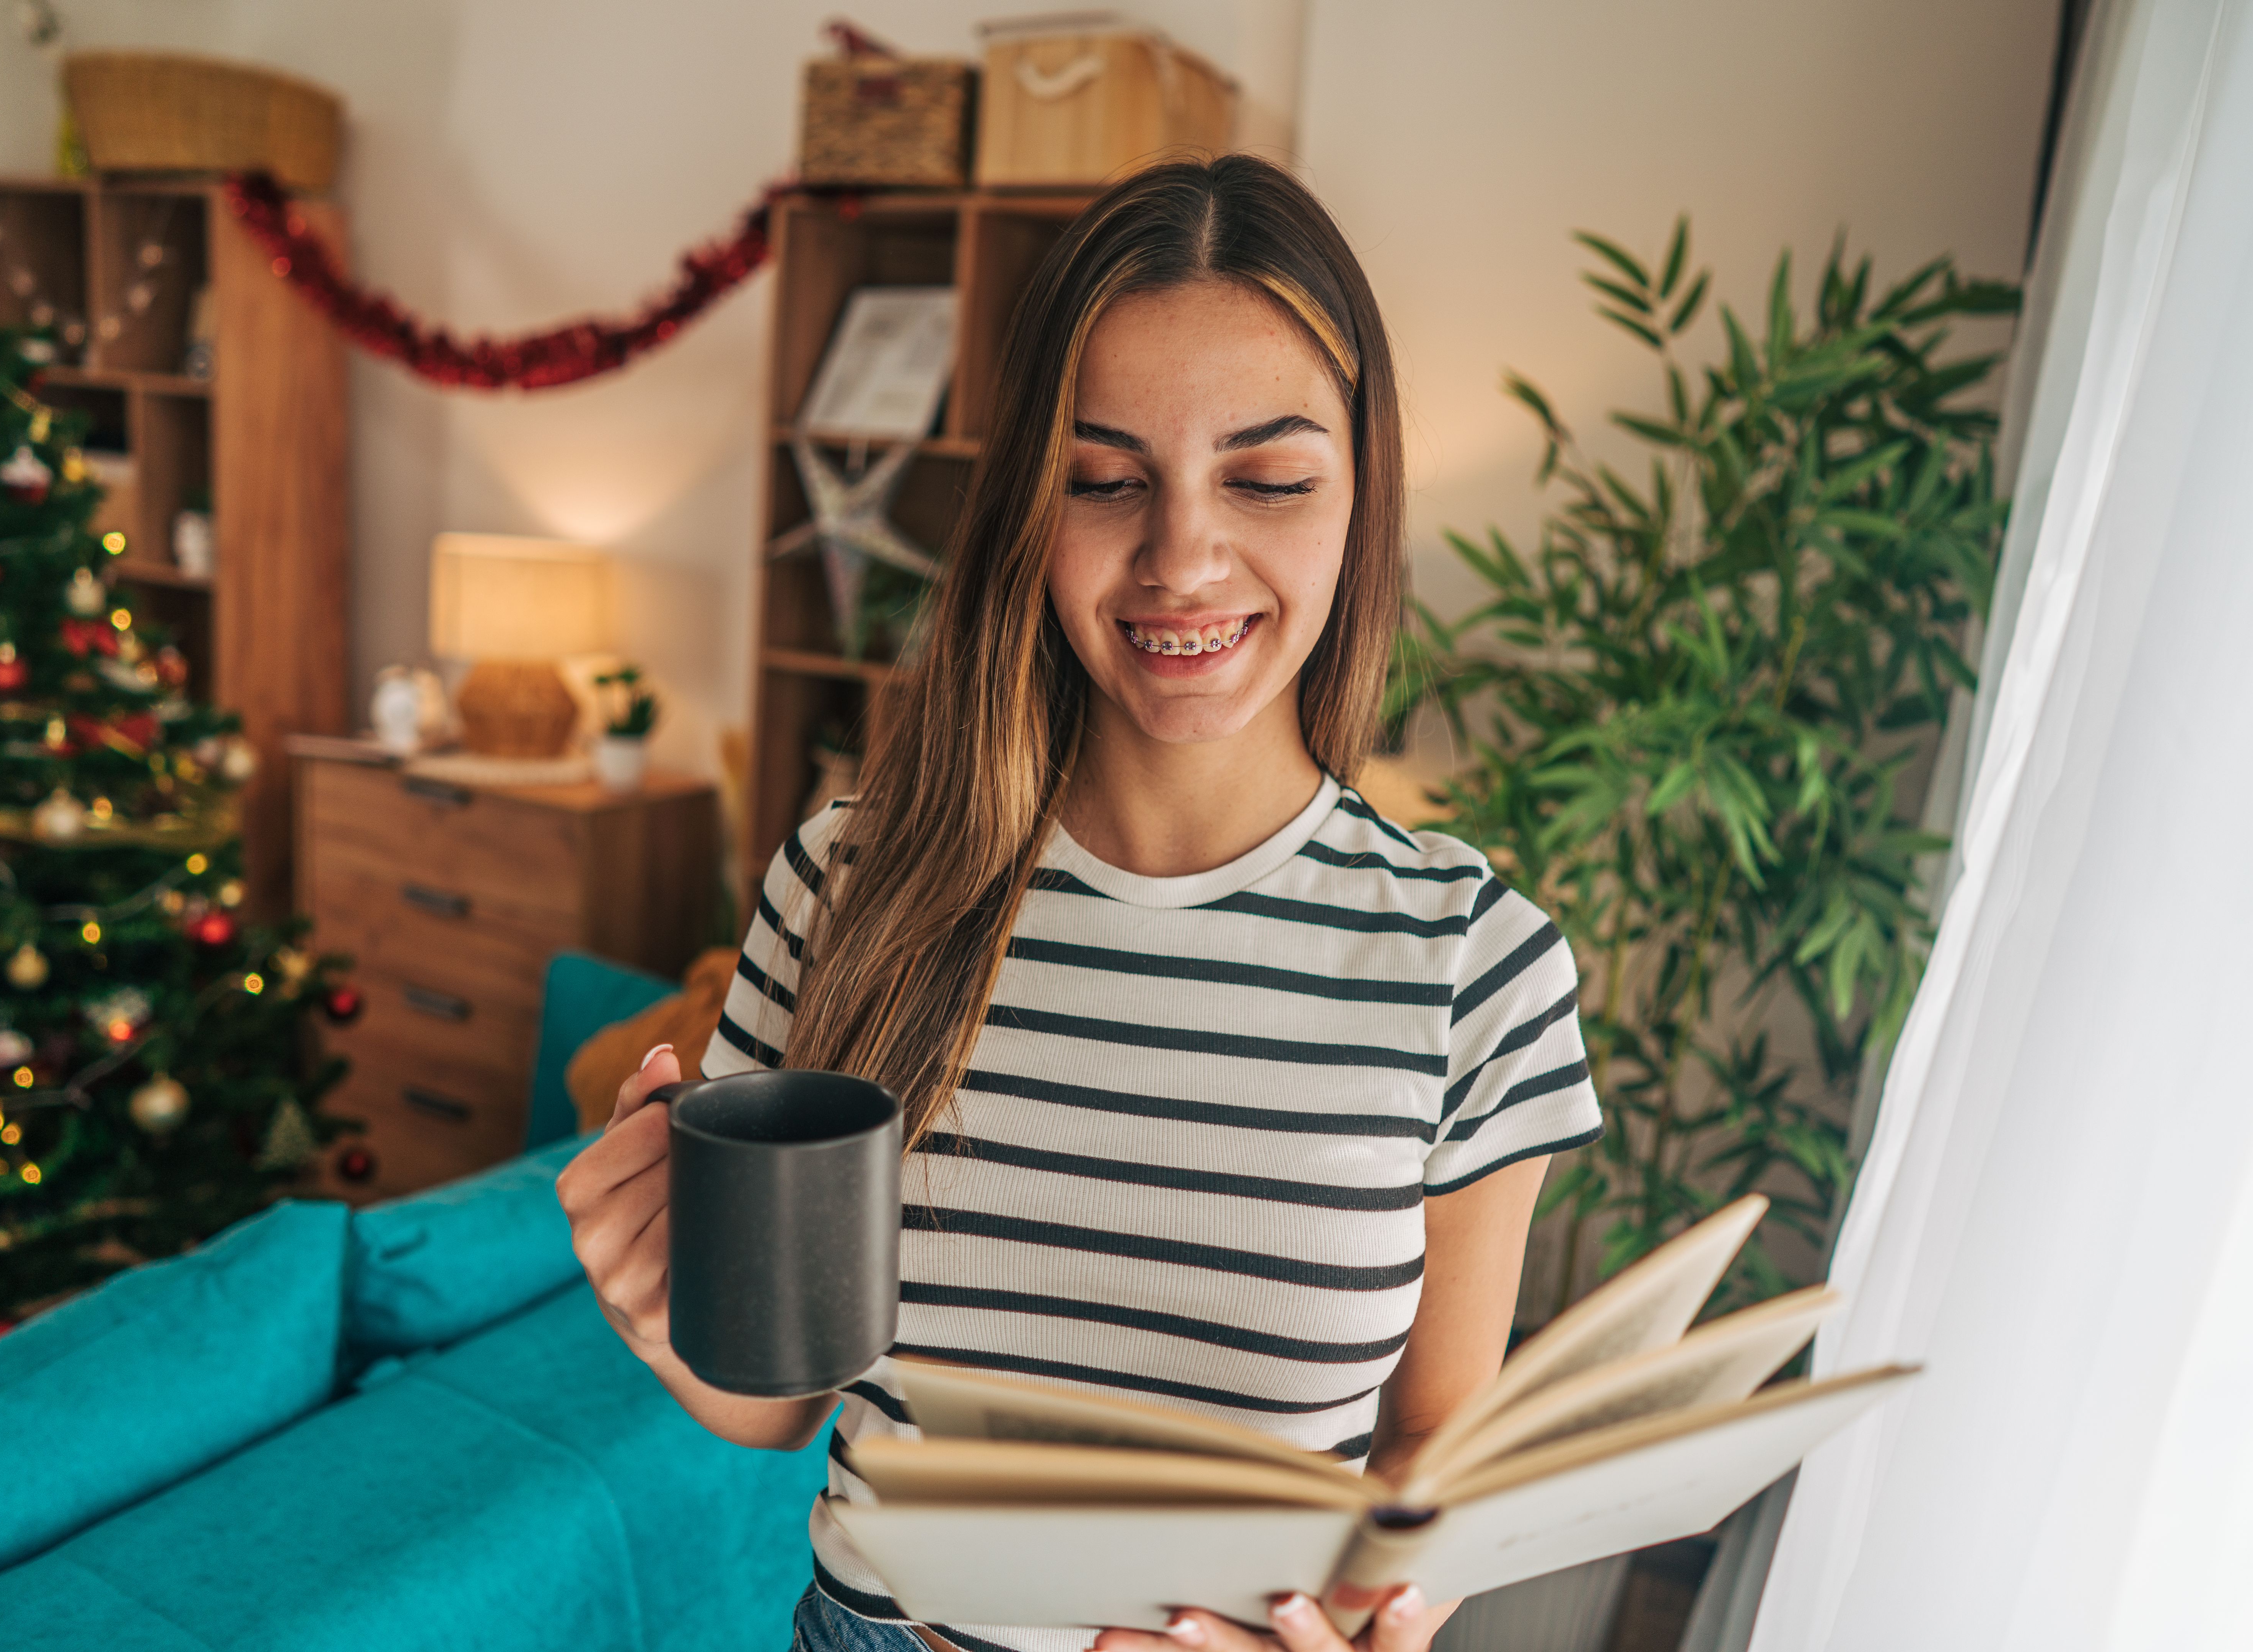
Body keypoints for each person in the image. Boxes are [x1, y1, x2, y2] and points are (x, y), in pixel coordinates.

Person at [558, 154, 1602, 1652]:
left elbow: (1435, 1452)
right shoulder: (845, 886)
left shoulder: (1474, 965)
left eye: (1270, 477)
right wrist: (663, 1314)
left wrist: (1375, 1626)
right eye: (1104, 481)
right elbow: (777, 1406)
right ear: (1025, 509)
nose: (1183, 557)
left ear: (1361, 493)